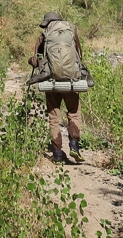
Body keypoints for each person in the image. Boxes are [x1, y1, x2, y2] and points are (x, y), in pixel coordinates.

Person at [30, 11, 84, 163]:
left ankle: (57, 154)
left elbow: (36, 61)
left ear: (47, 23)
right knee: (73, 112)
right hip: (70, 80)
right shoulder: (71, 32)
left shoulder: (44, 36)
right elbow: (80, 54)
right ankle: (74, 145)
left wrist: (31, 61)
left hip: (51, 81)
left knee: (54, 118)